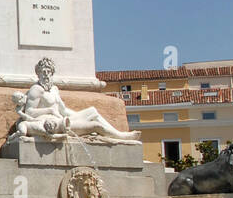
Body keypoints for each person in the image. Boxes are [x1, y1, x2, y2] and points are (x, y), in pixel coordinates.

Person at [11, 58, 141, 144]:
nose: (46, 74)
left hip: (64, 119)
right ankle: (121, 137)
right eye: (43, 71)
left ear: (52, 73)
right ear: (38, 73)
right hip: (50, 123)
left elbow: (63, 110)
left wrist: (79, 117)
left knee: (92, 112)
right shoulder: (36, 89)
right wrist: (49, 110)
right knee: (97, 125)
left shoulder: (54, 89)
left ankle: (119, 135)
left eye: (49, 72)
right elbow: (29, 111)